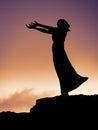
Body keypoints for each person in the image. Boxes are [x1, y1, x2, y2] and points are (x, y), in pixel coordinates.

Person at [26, 19, 88, 96]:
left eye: (58, 24)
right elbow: (46, 31)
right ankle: (64, 91)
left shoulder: (62, 31)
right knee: (60, 70)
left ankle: (65, 90)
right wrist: (36, 27)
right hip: (56, 50)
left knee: (62, 70)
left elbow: (50, 28)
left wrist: (38, 24)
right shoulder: (58, 30)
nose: (57, 25)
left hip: (59, 50)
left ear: (62, 25)